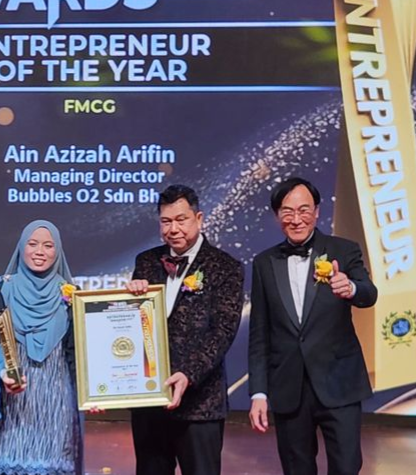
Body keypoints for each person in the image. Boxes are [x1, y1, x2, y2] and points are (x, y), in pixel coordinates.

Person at [248, 177, 378, 475]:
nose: (296, 220)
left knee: (346, 466)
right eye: (287, 212)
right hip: (289, 388)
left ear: (317, 212)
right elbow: (259, 333)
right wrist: (258, 393)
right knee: (297, 468)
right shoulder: (264, 263)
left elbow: (369, 293)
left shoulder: (343, 251)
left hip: (339, 382)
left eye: (304, 210)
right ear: (277, 215)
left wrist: (352, 289)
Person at [126, 184, 244, 475]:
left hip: (200, 404)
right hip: (150, 401)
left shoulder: (225, 266)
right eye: (166, 221)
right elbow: (133, 327)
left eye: (181, 220)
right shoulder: (146, 261)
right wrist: (129, 299)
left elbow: (223, 331)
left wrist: (188, 374)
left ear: (199, 218)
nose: (173, 229)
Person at [0, 220, 83, 475]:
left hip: (56, 401)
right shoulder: (3, 289)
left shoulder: (71, 294)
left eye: (48, 245)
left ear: (58, 251)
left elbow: (77, 353)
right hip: (13, 398)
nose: (40, 251)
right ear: (21, 247)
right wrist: (3, 372)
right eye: (33, 244)